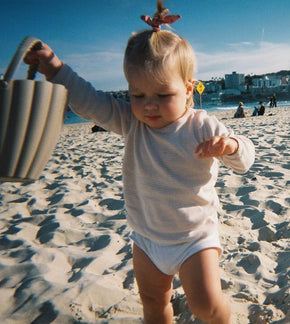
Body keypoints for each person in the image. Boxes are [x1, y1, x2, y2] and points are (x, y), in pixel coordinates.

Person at [24, 2, 255, 323]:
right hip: (146, 238)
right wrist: (55, 68)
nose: (149, 106)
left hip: (195, 239)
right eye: (137, 94)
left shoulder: (201, 125)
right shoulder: (132, 123)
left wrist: (229, 145)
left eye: (162, 95)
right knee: (153, 302)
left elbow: (246, 157)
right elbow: (89, 101)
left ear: (188, 88)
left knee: (207, 307)